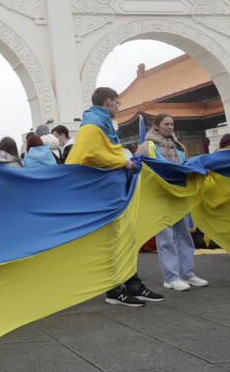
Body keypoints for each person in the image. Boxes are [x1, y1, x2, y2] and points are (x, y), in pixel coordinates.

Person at [66, 86, 164, 307]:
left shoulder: (100, 123)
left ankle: (132, 284)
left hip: (112, 191)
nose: (118, 108)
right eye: (117, 104)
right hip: (103, 193)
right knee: (113, 241)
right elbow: (89, 155)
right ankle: (114, 290)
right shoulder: (92, 125)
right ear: (108, 101)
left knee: (124, 238)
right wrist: (123, 162)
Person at [136, 114, 207, 291]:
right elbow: (137, 166)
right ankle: (171, 277)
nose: (170, 127)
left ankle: (188, 273)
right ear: (157, 126)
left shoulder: (179, 146)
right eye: (166, 124)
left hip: (179, 196)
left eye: (172, 124)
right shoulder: (147, 146)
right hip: (160, 198)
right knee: (165, 239)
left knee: (185, 236)